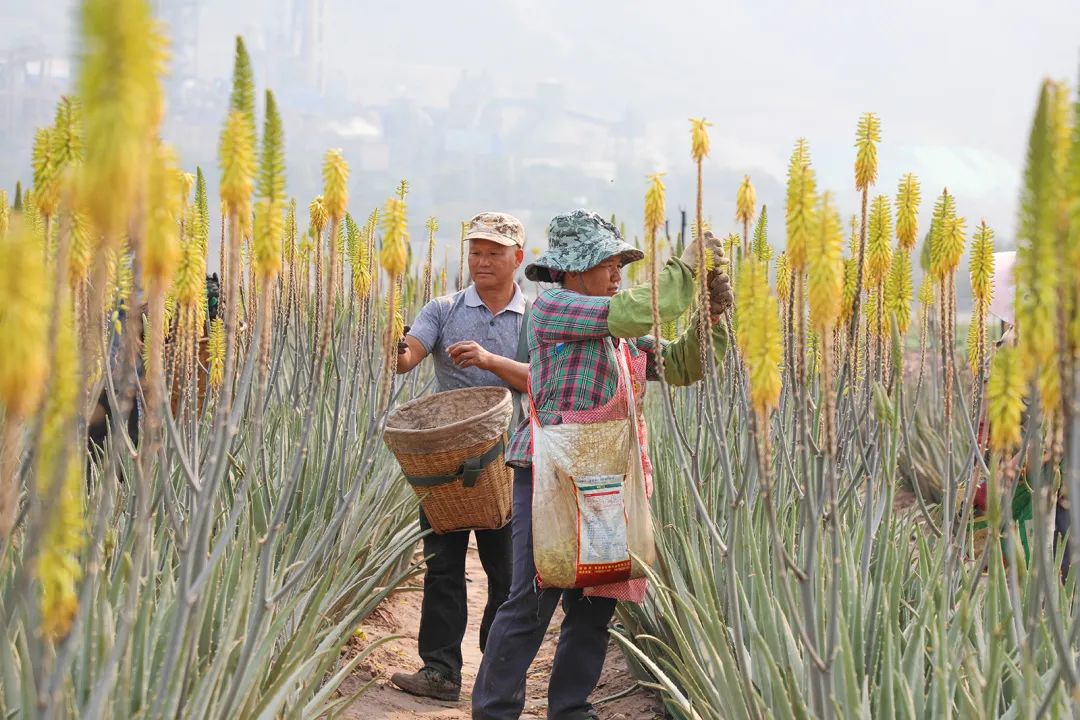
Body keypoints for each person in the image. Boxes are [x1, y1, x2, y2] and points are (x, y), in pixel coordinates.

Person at [472, 210, 733, 720]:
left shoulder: (619, 332)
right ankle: (495, 709)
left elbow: (682, 367)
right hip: (550, 475)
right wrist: (684, 269)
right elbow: (639, 311)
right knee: (534, 596)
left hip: (606, 480)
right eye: (607, 263)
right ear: (572, 269)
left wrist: (711, 318)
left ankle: (570, 708)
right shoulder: (555, 309)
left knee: (596, 600)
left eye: (620, 264)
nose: (617, 274)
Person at [391, 212, 531, 702]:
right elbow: (409, 356)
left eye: (494, 252)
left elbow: (542, 379)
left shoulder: (532, 317)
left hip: (504, 463)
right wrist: (395, 344)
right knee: (443, 566)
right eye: (476, 252)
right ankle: (440, 672)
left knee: (506, 576)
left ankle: (495, 676)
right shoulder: (445, 308)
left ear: (518, 258)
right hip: (442, 462)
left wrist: (491, 361)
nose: (483, 261)